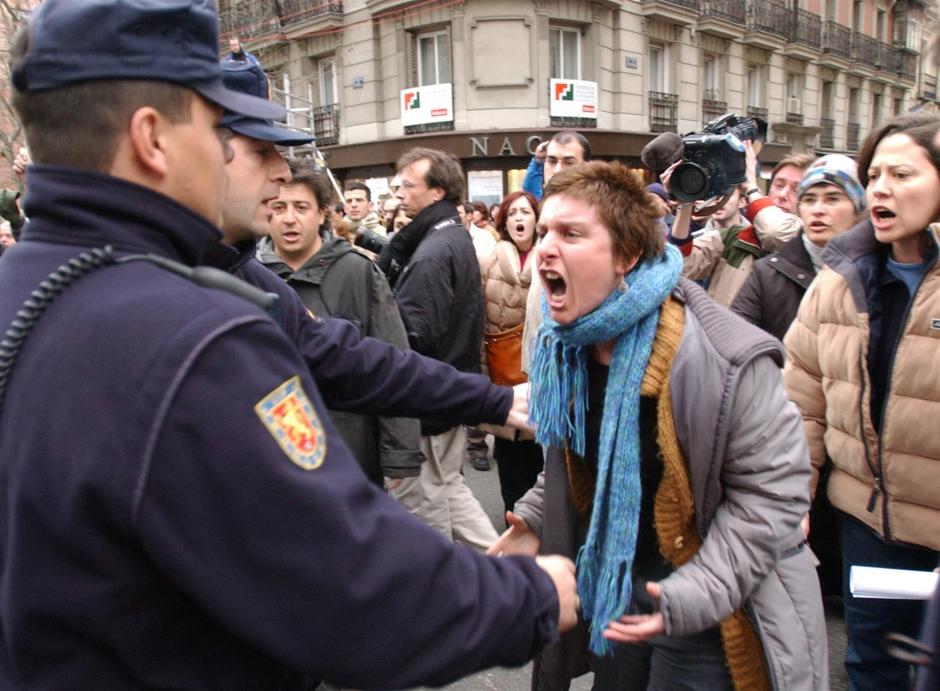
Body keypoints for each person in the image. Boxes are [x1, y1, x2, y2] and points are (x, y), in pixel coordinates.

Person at [0, 2, 580, 688]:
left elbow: (342, 357)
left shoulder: (32, 284)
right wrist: (531, 595)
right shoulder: (198, 336)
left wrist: (489, 398)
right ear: (152, 137)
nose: (251, 161)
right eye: (219, 128)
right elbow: (348, 584)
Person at [492, 160, 826, 690]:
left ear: (625, 256)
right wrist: (535, 517)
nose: (546, 246)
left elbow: (774, 496)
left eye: (571, 233)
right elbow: (579, 449)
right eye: (546, 229)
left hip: (713, 598)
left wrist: (692, 593)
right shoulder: (568, 347)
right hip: (617, 582)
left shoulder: (725, 357)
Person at [783, 112, 940, 691]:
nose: (882, 189)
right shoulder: (839, 279)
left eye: (902, 174)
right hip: (868, 524)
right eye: (874, 175)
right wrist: (790, 495)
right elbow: (801, 400)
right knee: (872, 666)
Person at [259, 162, 424, 488]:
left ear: (322, 214)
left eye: (301, 207)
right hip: (269, 462)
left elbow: (393, 362)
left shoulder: (358, 273)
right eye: (279, 207)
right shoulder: (247, 275)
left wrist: (399, 456)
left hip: (350, 456)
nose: (289, 218)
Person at [384, 147, 499, 551]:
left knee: (425, 501)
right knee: (448, 485)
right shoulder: (451, 235)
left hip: (428, 397)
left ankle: (445, 592)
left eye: (408, 185)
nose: (399, 193)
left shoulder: (433, 251)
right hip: (448, 390)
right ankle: (508, 568)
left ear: (436, 193)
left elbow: (414, 335)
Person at [732, 154, 867, 342]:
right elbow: (735, 345)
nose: (818, 209)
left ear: (858, 209)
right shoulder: (766, 274)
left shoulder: (877, 272)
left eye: (832, 198)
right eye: (810, 199)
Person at [478, 191, 543, 514]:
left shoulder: (551, 257)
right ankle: (514, 526)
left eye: (526, 212)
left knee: (547, 467)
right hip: (503, 372)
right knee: (511, 459)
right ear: (504, 221)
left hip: (543, 374)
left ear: (537, 219)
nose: (520, 218)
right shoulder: (489, 261)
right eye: (513, 213)